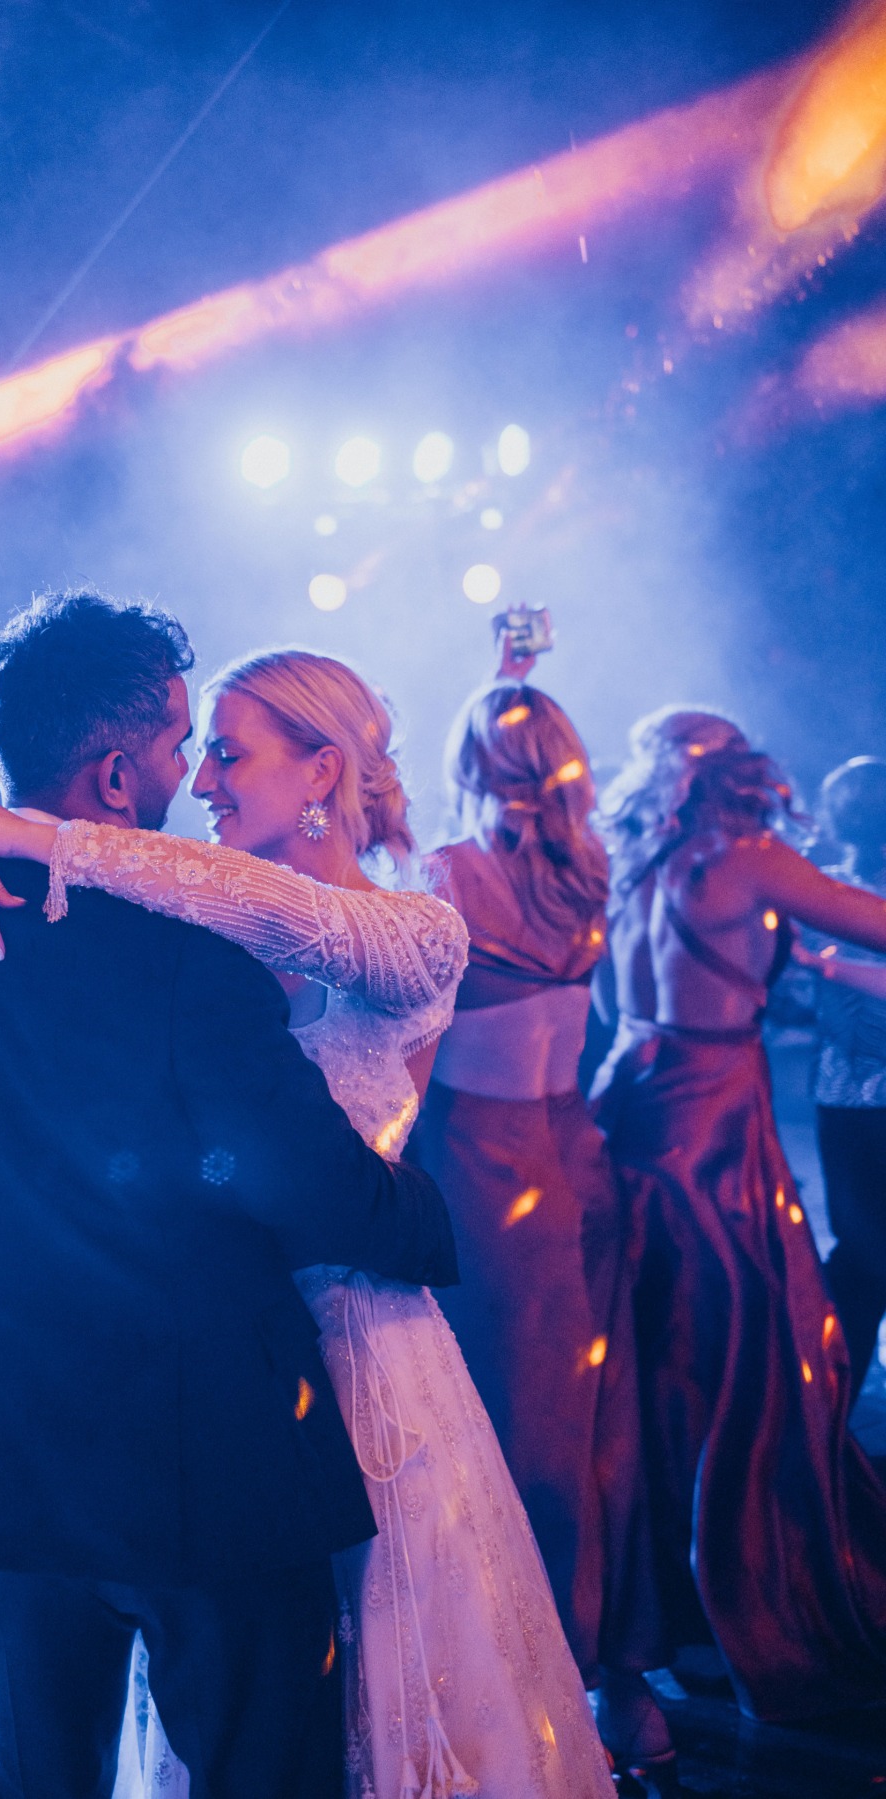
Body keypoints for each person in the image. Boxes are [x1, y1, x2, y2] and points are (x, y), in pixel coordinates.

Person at [0, 642, 616, 1799]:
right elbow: (176, 889)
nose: (203, 781)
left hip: (359, 1348)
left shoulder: (416, 930)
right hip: (196, 1370)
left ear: (324, 770)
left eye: (231, 754)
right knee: (237, 1699)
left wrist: (19, 827)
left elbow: (278, 911)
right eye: (204, 753)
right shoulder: (193, 917)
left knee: (380, 1677)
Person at [0, 590, 460, 1799]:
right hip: (197, 1454)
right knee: (263, 1770)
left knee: (39, 1777)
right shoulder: (189, 951)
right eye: (172, 745)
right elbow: (298, 1182)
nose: (186, 776)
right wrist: (430, 1221)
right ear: (111, 775)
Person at [592, 705, 886, 1722]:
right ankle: (745, 1600)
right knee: (744, 1363)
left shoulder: (625, 858)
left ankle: (663, 1612)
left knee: (644, 1362)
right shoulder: (748, 857)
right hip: (712, 1123)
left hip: (626, 1105)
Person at [410, 655, 667, 1772]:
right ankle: (617, 1675)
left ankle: (538, 1683)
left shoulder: (447, 874)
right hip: (582, 1155)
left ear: (469, 762)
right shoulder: (596, 869)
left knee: (516, 1433)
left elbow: (401, 1052)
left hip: (486, 1170)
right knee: (603, 1422)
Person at [793, 757, 886, 1398]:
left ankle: (833, 1400)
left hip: (849, 1092)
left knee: (859, 1252)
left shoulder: (820, 891)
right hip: (849, 1090)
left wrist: (816, 965)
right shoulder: (819, 887)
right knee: (859, 1254)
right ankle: (836, 1397)